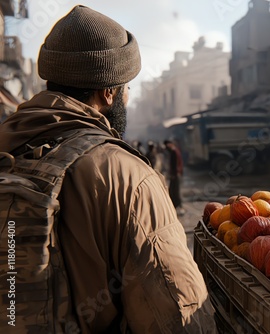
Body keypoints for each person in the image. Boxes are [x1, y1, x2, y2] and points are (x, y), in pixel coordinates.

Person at [0, 6, 216, 333]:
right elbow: (178, 317)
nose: (128, 96)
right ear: (109, 92)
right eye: (127, 87)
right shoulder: (128, 177)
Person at [165, 139, 186, 216]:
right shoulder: (174, 151)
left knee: (175, 191)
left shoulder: (174, 151)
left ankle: (179, 207)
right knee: (173, 191)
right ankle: (174, 207)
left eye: (167, 145)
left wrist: (174, 174)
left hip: (175, 175)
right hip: (175, 174)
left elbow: (175, 164)